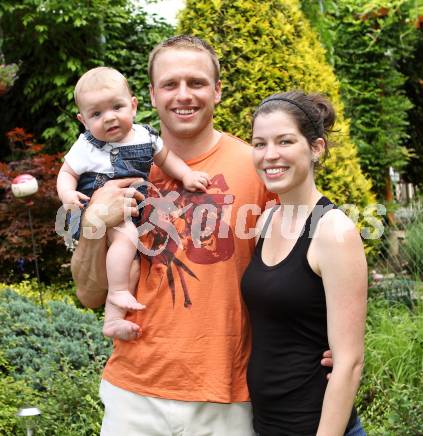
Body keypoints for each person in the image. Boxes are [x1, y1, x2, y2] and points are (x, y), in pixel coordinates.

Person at [70, 36, 333, 435]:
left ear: (217, 91)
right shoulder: (108, 175)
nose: (184, 95)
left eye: (196, 83)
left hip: (227, 398)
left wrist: (324, 342)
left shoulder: (257, 167)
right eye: (170, 84)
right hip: (134, 394)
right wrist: (93, 224)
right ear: (152, 96)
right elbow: (90, 294)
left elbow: (304, 266)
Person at [241, 91, 368, 436]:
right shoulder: (264, 222)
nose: (270, 155)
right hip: (266, 426)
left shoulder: (334, 232)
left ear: (316, 148)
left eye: (284, 141)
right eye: (259, 143)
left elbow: (349, 363)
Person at [57, 66, 210, 341]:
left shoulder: (145, 136)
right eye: (96, 114)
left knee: (133, 267)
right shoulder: (86, 146)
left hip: (130, 212)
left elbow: (166, 159)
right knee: (126, 238)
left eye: (117, 106)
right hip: (100, 208)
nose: (110, 118)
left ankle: (113, 319)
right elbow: (67, 173)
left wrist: (187, 175)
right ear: (83, 120)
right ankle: (116, 292)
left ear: (133, 105)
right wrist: (68, 196)